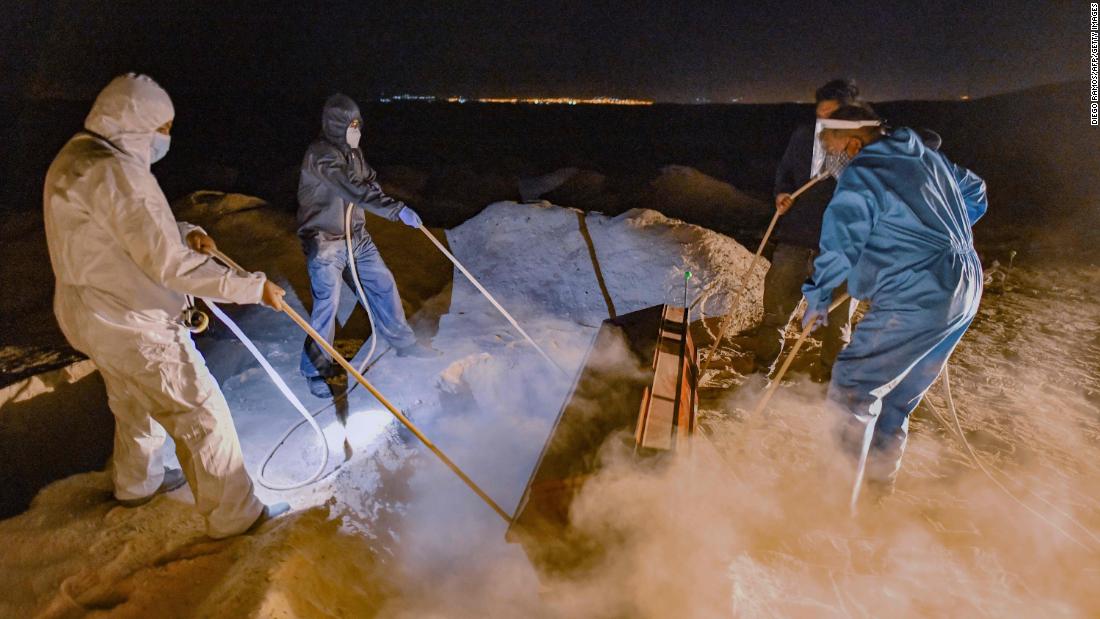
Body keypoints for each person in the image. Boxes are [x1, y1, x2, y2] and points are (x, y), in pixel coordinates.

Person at [43, 74, 289, 538]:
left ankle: (136, 485)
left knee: (133, 404)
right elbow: (171, 268)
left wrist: (183, 229)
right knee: (199, 411)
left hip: (90, 315)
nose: (166, 138)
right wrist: (252, 288)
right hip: (135, 323)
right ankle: (235, 517)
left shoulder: (78, 157)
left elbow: (118, 230)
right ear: (137, 121)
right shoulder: (121, 174)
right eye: (163, 126)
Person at [801, 105, 987, 497]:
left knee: (855, 385)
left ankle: (831, 509)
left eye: (829, 145)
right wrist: (938, 233)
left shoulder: (864, 170)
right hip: (965, 286)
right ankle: (875, 493)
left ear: (853, 142)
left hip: (917, 291)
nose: (828, 156)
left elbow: (839, 244)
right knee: (896, 397)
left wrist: (817, 297)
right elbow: (976, 191)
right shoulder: (927, 156)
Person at [297, 93, 436, 399]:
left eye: (358, 125)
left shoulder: (353, 152)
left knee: (383, 284)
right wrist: (396, 210)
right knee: (327, 305)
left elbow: (368, 181)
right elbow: (352, 191)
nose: (356, 131)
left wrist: (377, 190)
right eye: (351, 125)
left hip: (357, 237)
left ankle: (404, 343)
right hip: (326, 241)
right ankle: (315, 369)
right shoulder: (321, 155)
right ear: (336, 124)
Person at [747, 79, 862, 381]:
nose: (824, 121)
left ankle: (827, 382)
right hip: (795, 240)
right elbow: (785, 172)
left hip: (841, 250)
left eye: (832, 114)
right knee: (774, 314)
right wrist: (781, 194)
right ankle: (761, 372)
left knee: (837, 325)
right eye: (820, 114)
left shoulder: (866, 148)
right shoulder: (803, 136)